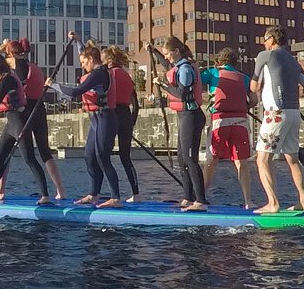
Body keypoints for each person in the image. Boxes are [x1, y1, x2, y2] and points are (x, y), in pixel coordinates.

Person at [250, 25, 304, 214]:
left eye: (264, 39)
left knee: (262, 159)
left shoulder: (265, 56)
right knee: (292, 159)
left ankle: (272, 203)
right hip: (294, 114)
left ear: (272, 39)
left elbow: (253, 86)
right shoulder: (293, 61)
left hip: (275, 115)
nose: (263, 43)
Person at [0, 51, 52, 204]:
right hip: (11, 122)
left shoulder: (7, 80)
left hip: (19, 122)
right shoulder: (3, 77)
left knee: (29, 159)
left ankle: (45, 196)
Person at [4, 38, 67, 201]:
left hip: (24, 111)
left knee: (5, 151)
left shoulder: (16, 65)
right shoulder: (35, 68)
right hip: (40, 109)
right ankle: (60, 191)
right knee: (45, 151)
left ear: (11, 53)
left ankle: (0, 190)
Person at [61, 43, 122, 207]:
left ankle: (116, 198)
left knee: (103, 157)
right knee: (89, 157)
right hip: (95, 120)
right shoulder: (95, 73)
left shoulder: (99, 74)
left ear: (91, 59)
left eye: (83, 62)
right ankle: (93, 194)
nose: (82, 66)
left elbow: (75, 92)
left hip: (106, 119)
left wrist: (53, 84)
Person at [153, 36, 209, 211]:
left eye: (168, 54)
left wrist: (162, 84)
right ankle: (188, 197)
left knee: (190, 159)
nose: (167, 57)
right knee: (181, 159)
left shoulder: (185, 69)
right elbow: (165, 63)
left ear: (176, 51)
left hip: (192, 116)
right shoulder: (177, 66)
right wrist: (153, 50)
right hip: (184, 116)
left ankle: (200, 200)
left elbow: (182, 94)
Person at [200, 48, 256, 210]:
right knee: (241, 162)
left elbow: (194, 78)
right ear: (235, 63)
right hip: (240, 121)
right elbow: (253, 100)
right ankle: (248, 201)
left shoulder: (212, 73)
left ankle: (201, 198)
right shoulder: (244, 78)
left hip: (219, 120)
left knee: (211, 161)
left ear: (219, 62)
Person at [102, 45, 143, 201]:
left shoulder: (108, 75)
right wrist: (131, 122)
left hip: (112, 114)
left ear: (110, 60)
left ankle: (111, 194)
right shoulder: (127, 76)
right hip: (126, 114)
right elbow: (136, 105)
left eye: (103, 58)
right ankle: (136, 193)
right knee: (125, 157)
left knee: (103, 155)